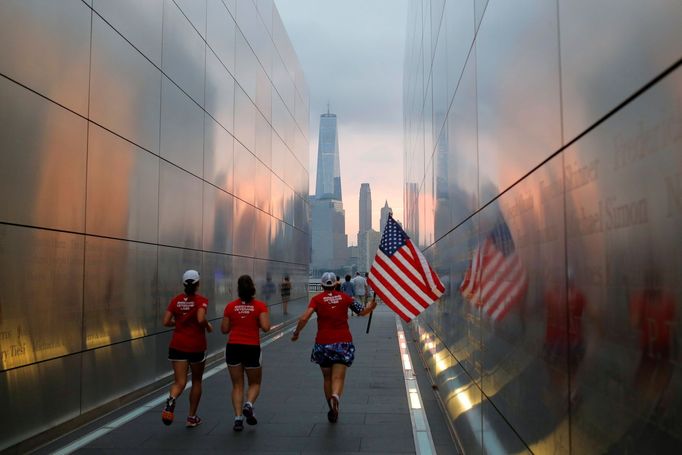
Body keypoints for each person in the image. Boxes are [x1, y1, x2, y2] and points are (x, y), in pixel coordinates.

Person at [291, 272, 377, 423]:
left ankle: (332, 408)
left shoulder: (316, 299)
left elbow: (304, 317)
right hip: (343, 342)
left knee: (327, 378)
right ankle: (336, 395)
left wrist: (296, 333)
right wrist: (371, 307)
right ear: (337, 283)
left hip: (323, 344)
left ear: (323, 285)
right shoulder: (346, 298)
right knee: (338, 376)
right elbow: (362, 312)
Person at [161, 270, 213, 427]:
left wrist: (177, 324)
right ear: (198, 284)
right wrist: (208, 326)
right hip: (196, 346)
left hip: (177, 345)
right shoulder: (201, 300)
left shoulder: (176, 300)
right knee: (196, 380)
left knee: (179, 382)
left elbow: (165, 321)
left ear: (183, 284)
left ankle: (171, 400)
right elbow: (200, 318)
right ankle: (191, 417)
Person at [222, 275, 271, 432]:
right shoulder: (260, 306)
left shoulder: (230, 306)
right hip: (251, 348)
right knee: (255, 383)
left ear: (238, 289)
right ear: (252, 288)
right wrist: (255, 320)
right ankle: (249, 404)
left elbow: (224, 329)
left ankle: (238, 419)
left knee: (237, 385)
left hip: (233, 347)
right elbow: (266, 327)